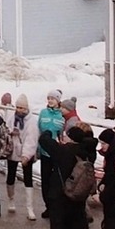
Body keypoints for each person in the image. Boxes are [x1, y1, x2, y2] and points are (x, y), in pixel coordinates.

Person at [39, 125, 95, 229]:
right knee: (78, 228)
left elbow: (44, 140)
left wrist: (49, 131)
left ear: (69, 138)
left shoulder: (63, 151)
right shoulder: (88, 152)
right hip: (78, 197)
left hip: (60, 196)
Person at [2, 94, 39, 220]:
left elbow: (31, 139)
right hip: (13, 150)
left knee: (27, 178)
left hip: (25, 152)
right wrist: (11, 132)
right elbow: (5, 130)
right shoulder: (12, 118)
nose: (19, 110)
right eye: (18, 107)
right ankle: (11, 200)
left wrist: (26, 155)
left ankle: (30, 208)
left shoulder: (32, 122)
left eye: (22, 108)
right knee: (10, 175)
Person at [37, 89, 65, 218]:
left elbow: (62, 135)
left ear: (58, 100)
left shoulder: (61, 116)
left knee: (56, 180)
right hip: (44, 152)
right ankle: (48, 206)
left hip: (56, 153)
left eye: (53, 98)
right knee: (45, 180)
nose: (50, 101)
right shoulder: (43, 113)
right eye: (48, 98)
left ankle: (56, 206)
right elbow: (38, 130)